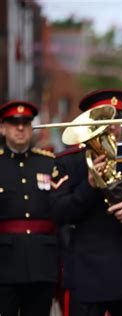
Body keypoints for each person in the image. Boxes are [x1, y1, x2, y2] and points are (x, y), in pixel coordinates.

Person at [50, 89, 122, 316]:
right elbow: (58, 213)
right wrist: (90, 185)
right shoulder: (69, 163)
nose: (114, 127)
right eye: (106, 121)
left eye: (119, 119)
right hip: (87, 274)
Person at [0, 101, 57, 316]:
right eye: (14, 123)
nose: (21, 127)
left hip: (42, 260)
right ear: (2, 128)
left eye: (25, 122)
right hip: (4, 263)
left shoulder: (49, 163)